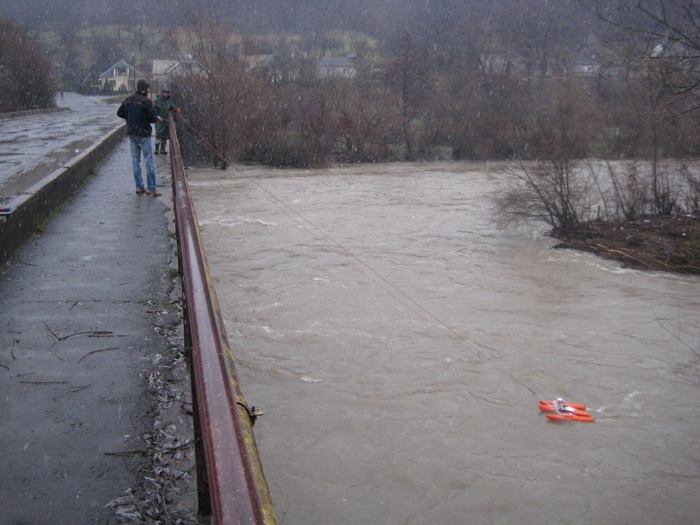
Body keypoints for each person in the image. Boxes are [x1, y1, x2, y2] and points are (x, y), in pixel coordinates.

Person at [117, 78, 163, 196]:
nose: (148, 90)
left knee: (135, 161)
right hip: (143, 134)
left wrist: (131, 119)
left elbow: (119, 113)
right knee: (148, 161)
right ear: (144, 89)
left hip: (132, 133)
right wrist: (156, 119)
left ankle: (139, 186)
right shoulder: (145, 101)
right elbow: (151, 117)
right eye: (147, 88)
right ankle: (151, 188)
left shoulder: (128, 100)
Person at [153, 88, 179, 155]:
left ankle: (163, 149)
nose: (166, 94)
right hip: (159, 120)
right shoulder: (157, 100)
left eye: (167, 92)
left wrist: (175, 110)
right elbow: (152, 108)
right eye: (165, 92)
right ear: (162, 93)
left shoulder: (168, 101)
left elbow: (171, 108)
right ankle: (156, 148)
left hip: (166, 120)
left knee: (164, 135)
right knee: (159, 134)